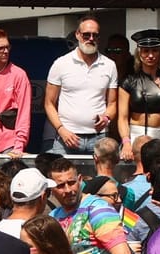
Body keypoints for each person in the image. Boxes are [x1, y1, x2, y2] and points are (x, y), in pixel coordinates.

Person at [46, 157, 131, 254]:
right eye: (60, 185)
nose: (68, 190)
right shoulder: (53, 217)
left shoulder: (97, 208)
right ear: (51, 189)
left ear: (80, 180)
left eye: (71, 183)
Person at [44, 17, 120, 153]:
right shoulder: (61, 64)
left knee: (101, 175)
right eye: (86, 34)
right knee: (62, 174)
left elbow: (113, 104)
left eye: (95, 35)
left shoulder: (109, 65)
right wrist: (61, 130)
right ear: (77, 35)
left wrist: (106, 117)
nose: (91, 38)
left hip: (99, 138)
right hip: (67, 137)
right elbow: (49, 103)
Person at [118, 29, 160, 160]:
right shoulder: (129, 81)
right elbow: (122, 117)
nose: (150, 55)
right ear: (139, 53)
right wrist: (126, 143)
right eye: (146, 51)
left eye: (155, 50)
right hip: (134, 135)